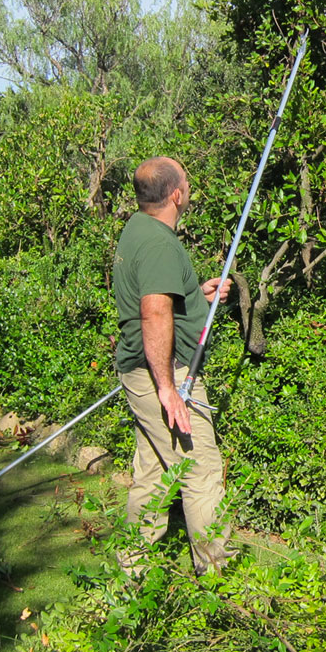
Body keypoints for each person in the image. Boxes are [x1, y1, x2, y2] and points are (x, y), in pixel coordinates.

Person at [112, 156, 234, 576]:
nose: (189, 189)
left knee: (154, 469)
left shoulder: (137, 228)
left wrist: (196, 294)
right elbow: (154, 313)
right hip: (169, 375)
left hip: (141, 370)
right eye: (187, 182)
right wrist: (167, 388)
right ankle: (218, 581)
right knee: (200, 472)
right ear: (177, 195)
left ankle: (130, 572)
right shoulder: (161, 243)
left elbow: (159, 292)